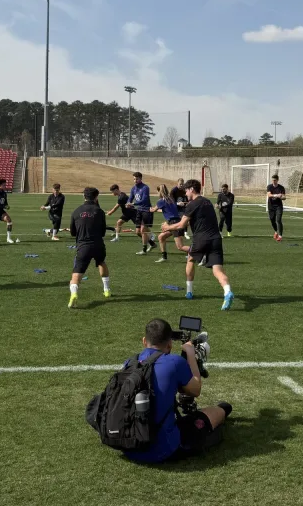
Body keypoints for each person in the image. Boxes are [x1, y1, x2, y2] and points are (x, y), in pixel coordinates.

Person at [122, 318, 231, 464]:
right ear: (170, 344)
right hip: (162, 450)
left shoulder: (130, 362)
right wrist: (190, 354)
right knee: (222, 409)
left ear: (144, 341)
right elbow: (195, 389)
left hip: (128, 445)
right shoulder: (174, 362)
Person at [164, 179, 235, 310]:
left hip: (202, 239)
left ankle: (189, 291)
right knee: (217, 270)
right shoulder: (207, 201)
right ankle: (227, 291)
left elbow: (181, 224)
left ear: (192, 189)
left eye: (186, 190)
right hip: (216, 239)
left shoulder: (192, 204)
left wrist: (167, 227)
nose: (185, 193)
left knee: (190, 259)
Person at [67, 187, 111, 308]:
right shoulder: (100, 211)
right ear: (96, 197)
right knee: (101, 262)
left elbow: (72, 232)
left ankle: (74, 294)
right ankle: (106, 289)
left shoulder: (76, 211)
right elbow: (103, 232)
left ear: (84, 196)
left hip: (83, 246)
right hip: (98, 244)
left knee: (76, 274)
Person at [152, 184, 188, 263]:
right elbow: (164, 210)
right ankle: (164, 257)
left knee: (180, 247)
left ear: (159, 191)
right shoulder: (171, 199)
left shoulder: (161, 201)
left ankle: (201, 253)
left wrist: (150, 209)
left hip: (173, 223)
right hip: (175, 221)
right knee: (161, 237)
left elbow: (153, 210)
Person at [128, 172, 153, 255]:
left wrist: (134, 204)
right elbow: (130, 198)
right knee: (138, 232)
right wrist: (128, 203)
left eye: (137, 179)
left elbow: (144, 200)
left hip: (146, 210)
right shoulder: (133, 188)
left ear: (141, 179)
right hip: (139, 210)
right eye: (134, 179)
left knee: (143, 230)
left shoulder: (145, 188)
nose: (135, 180)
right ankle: (152, 243)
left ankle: (144, 250)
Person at [267, 174, 286, 241]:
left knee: (278, 220)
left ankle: (280, 236)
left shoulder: (281, 188)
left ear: (277, 180)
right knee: (272, 220)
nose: (273, 181)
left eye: (274, 180)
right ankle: (276, 231)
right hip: (271, 206)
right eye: (272, 180)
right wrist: (276, 195)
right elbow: (269, 195)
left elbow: (284, 197)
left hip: (279, 206)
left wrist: (281, 196)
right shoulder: (269, 187)